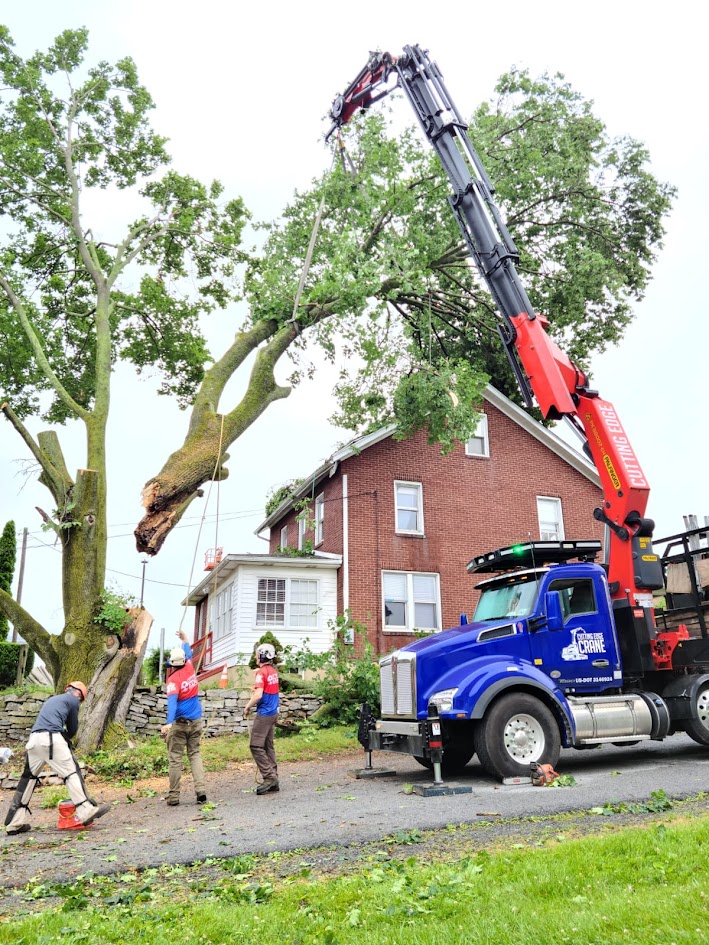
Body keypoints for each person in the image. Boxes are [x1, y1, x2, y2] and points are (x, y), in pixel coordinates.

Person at [4, 682, 111, 835]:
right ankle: (86, 811)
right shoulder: (73, 701)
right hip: (51, 740)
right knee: (72, 773)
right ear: (79, 695)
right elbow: (73, 728)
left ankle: (13, 824)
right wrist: (68, 737)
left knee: (28, 780)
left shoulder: (52, 699)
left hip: (33, 741)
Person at [161, 633, 206, 806]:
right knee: (195, 754)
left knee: (175, 758)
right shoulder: (189, 666)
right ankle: (201, 791)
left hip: (180, 724)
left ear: (172, 664)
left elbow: (172, 703)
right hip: (196, 721)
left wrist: (168, 723)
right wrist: (185, 639)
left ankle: (174, 796)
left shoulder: (173, 680)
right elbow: (188, 651)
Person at [244, 643, 280, 795]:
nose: (255, 657)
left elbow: (258, 695)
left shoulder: (261, 672)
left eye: (257, 654)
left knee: (256, 746)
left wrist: (247, 706)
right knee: (268, 746)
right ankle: (274, 778)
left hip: (264, 714)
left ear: (262, 656)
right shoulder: (272, 671)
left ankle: (269, 777)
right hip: (273, 712)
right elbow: (265, 690)